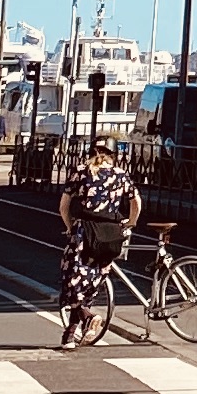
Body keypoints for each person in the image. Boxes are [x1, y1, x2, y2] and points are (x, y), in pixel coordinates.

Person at [59, 135, 139, 346]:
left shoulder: (81, 172)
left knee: (71, 279)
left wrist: (69, 227)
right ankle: (70, 335)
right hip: (110, 234)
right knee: (92, 283)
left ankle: (88, 317)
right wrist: (130, 223)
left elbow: (64, 206)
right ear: (113, 155)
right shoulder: (121, 175)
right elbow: (136, 202)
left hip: (85, 232)